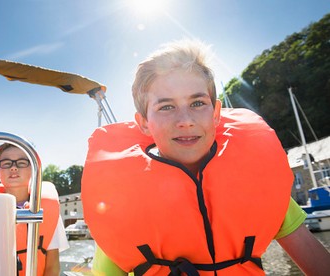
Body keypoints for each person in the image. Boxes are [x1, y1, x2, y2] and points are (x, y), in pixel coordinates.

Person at [81, 39, 330, 275]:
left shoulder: (260, 183)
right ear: (144, 123)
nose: (185, 121)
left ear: (216, 113)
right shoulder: (121, 205)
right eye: (166, 107)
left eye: (198, 103)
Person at [0, 143, 69, 276]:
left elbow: (52, 266)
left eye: (21, 163)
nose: (13, 168)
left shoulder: (47, 209)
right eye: (7, 163)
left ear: (32, 170)